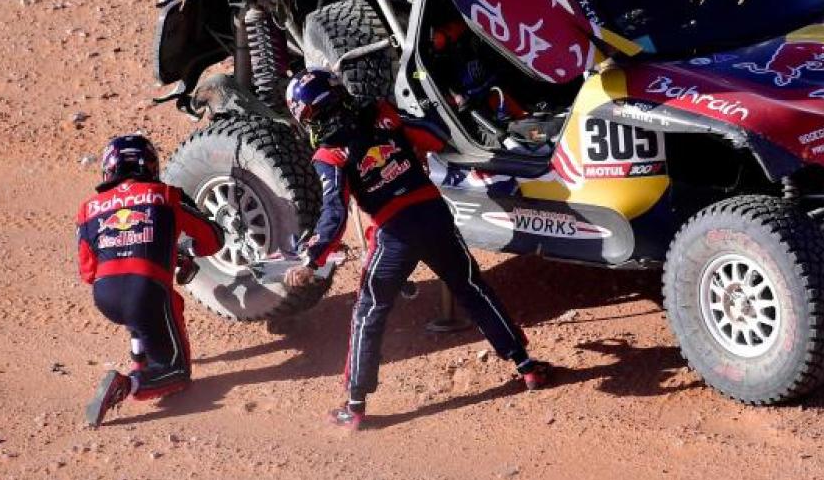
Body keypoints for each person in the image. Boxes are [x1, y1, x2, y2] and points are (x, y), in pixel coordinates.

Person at [283, 68, 552, 431]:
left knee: (370, 311)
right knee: (472, 288)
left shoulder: (329, 155)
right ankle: (527, 367)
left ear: (308, 116)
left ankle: (355, 405)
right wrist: (395, 129)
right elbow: (437, 137)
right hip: (434, 215)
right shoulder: (382, 113)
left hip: (394, 233)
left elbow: (333, 217)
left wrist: (311, 259)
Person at [75, 134, 224, 426]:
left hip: (105, 295)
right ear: (151, 166)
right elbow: (213, 238)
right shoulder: (166, 194)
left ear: (108, 169)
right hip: (146, 290)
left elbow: (87, 272)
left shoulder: (87, 209)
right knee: (177, 373)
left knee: (147, 306)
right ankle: (129, 383)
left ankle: (140, 359)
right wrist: (182, 252)